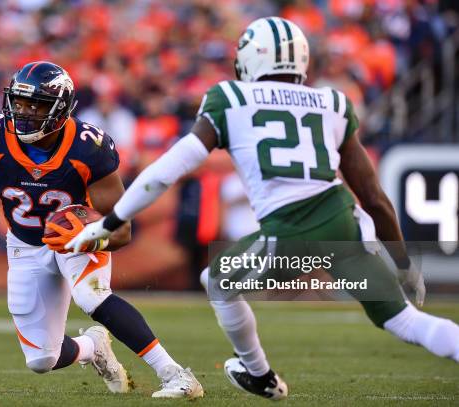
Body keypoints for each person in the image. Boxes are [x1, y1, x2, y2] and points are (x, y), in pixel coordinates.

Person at [67, 17, 459, 400]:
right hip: (343, 221)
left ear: (249, 60)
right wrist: (404, 265)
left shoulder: (231, 98)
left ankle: (260, 374)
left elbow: (169, 168)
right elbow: (374, 199)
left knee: (218, 281)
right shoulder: (332, 102)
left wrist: (113, 220)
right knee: (404, 319)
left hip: (290, 228)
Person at [0, 62, 202, 399]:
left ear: (61, 108)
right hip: (24, 243)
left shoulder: (87, 147)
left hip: (79, 241)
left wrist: (89, 238)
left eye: (35, 105)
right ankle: (93, 347)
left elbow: (122, 230)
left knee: (91, 295)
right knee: (41, 360)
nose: (23, 112)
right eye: (19, 102)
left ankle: (175, 374)